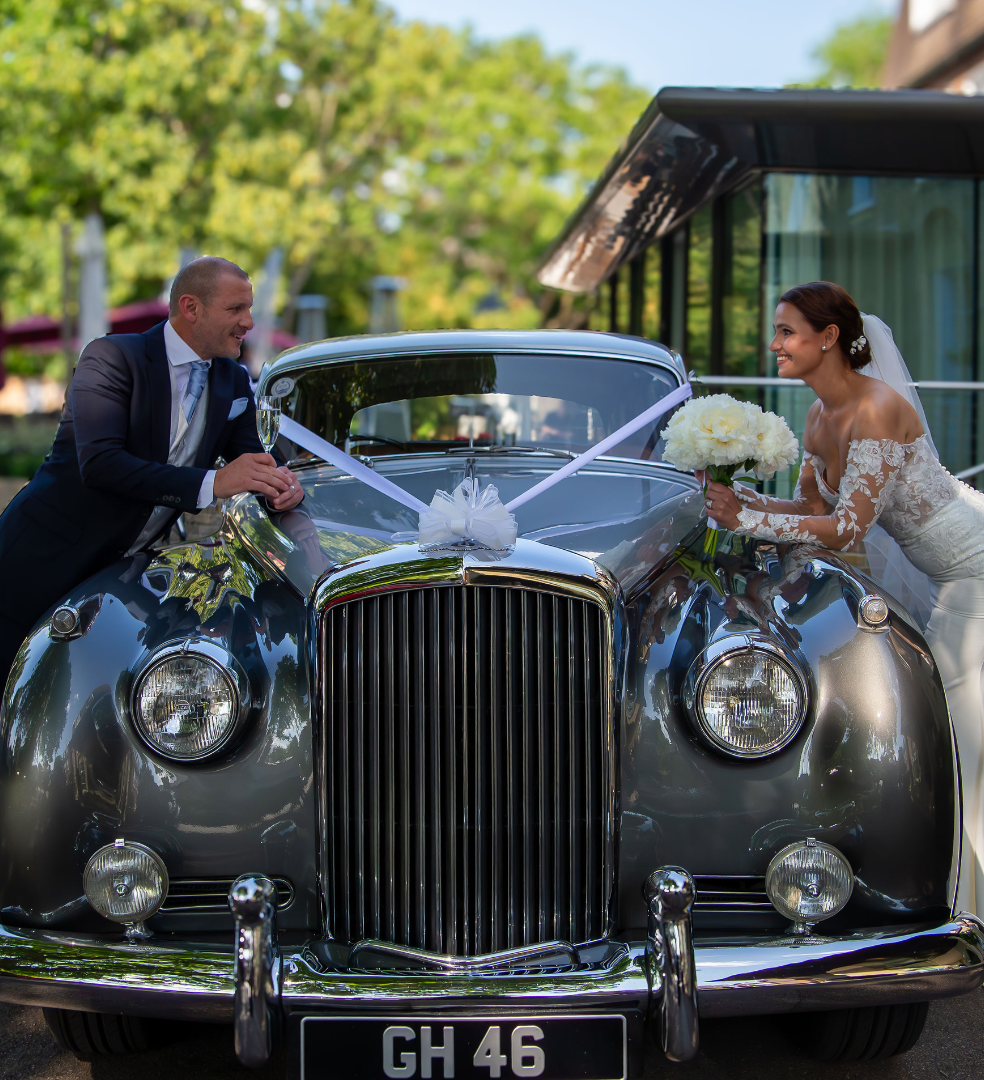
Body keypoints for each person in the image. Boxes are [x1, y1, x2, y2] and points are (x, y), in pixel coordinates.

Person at [703, 280, 984, 920]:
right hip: (948, 580)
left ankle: (959, 909)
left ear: (828, 338)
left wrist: (748, 521)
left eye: (787, 331)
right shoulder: (818, 414)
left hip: (976, 574)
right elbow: (810, 511)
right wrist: (735, 501)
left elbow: (849, 530)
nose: (774, 344)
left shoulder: (877, 409)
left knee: (956, 739)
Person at [0, 256, 303, 687]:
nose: (248, 322)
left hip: (120, 581)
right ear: (190, 307)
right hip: (38, 561)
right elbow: (101, 465)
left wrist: (281, 487)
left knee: (80, 695)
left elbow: (255, 464)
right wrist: (214, 483)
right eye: (236, 309)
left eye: (249, 308)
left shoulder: (234, 382)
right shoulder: (110, 357)